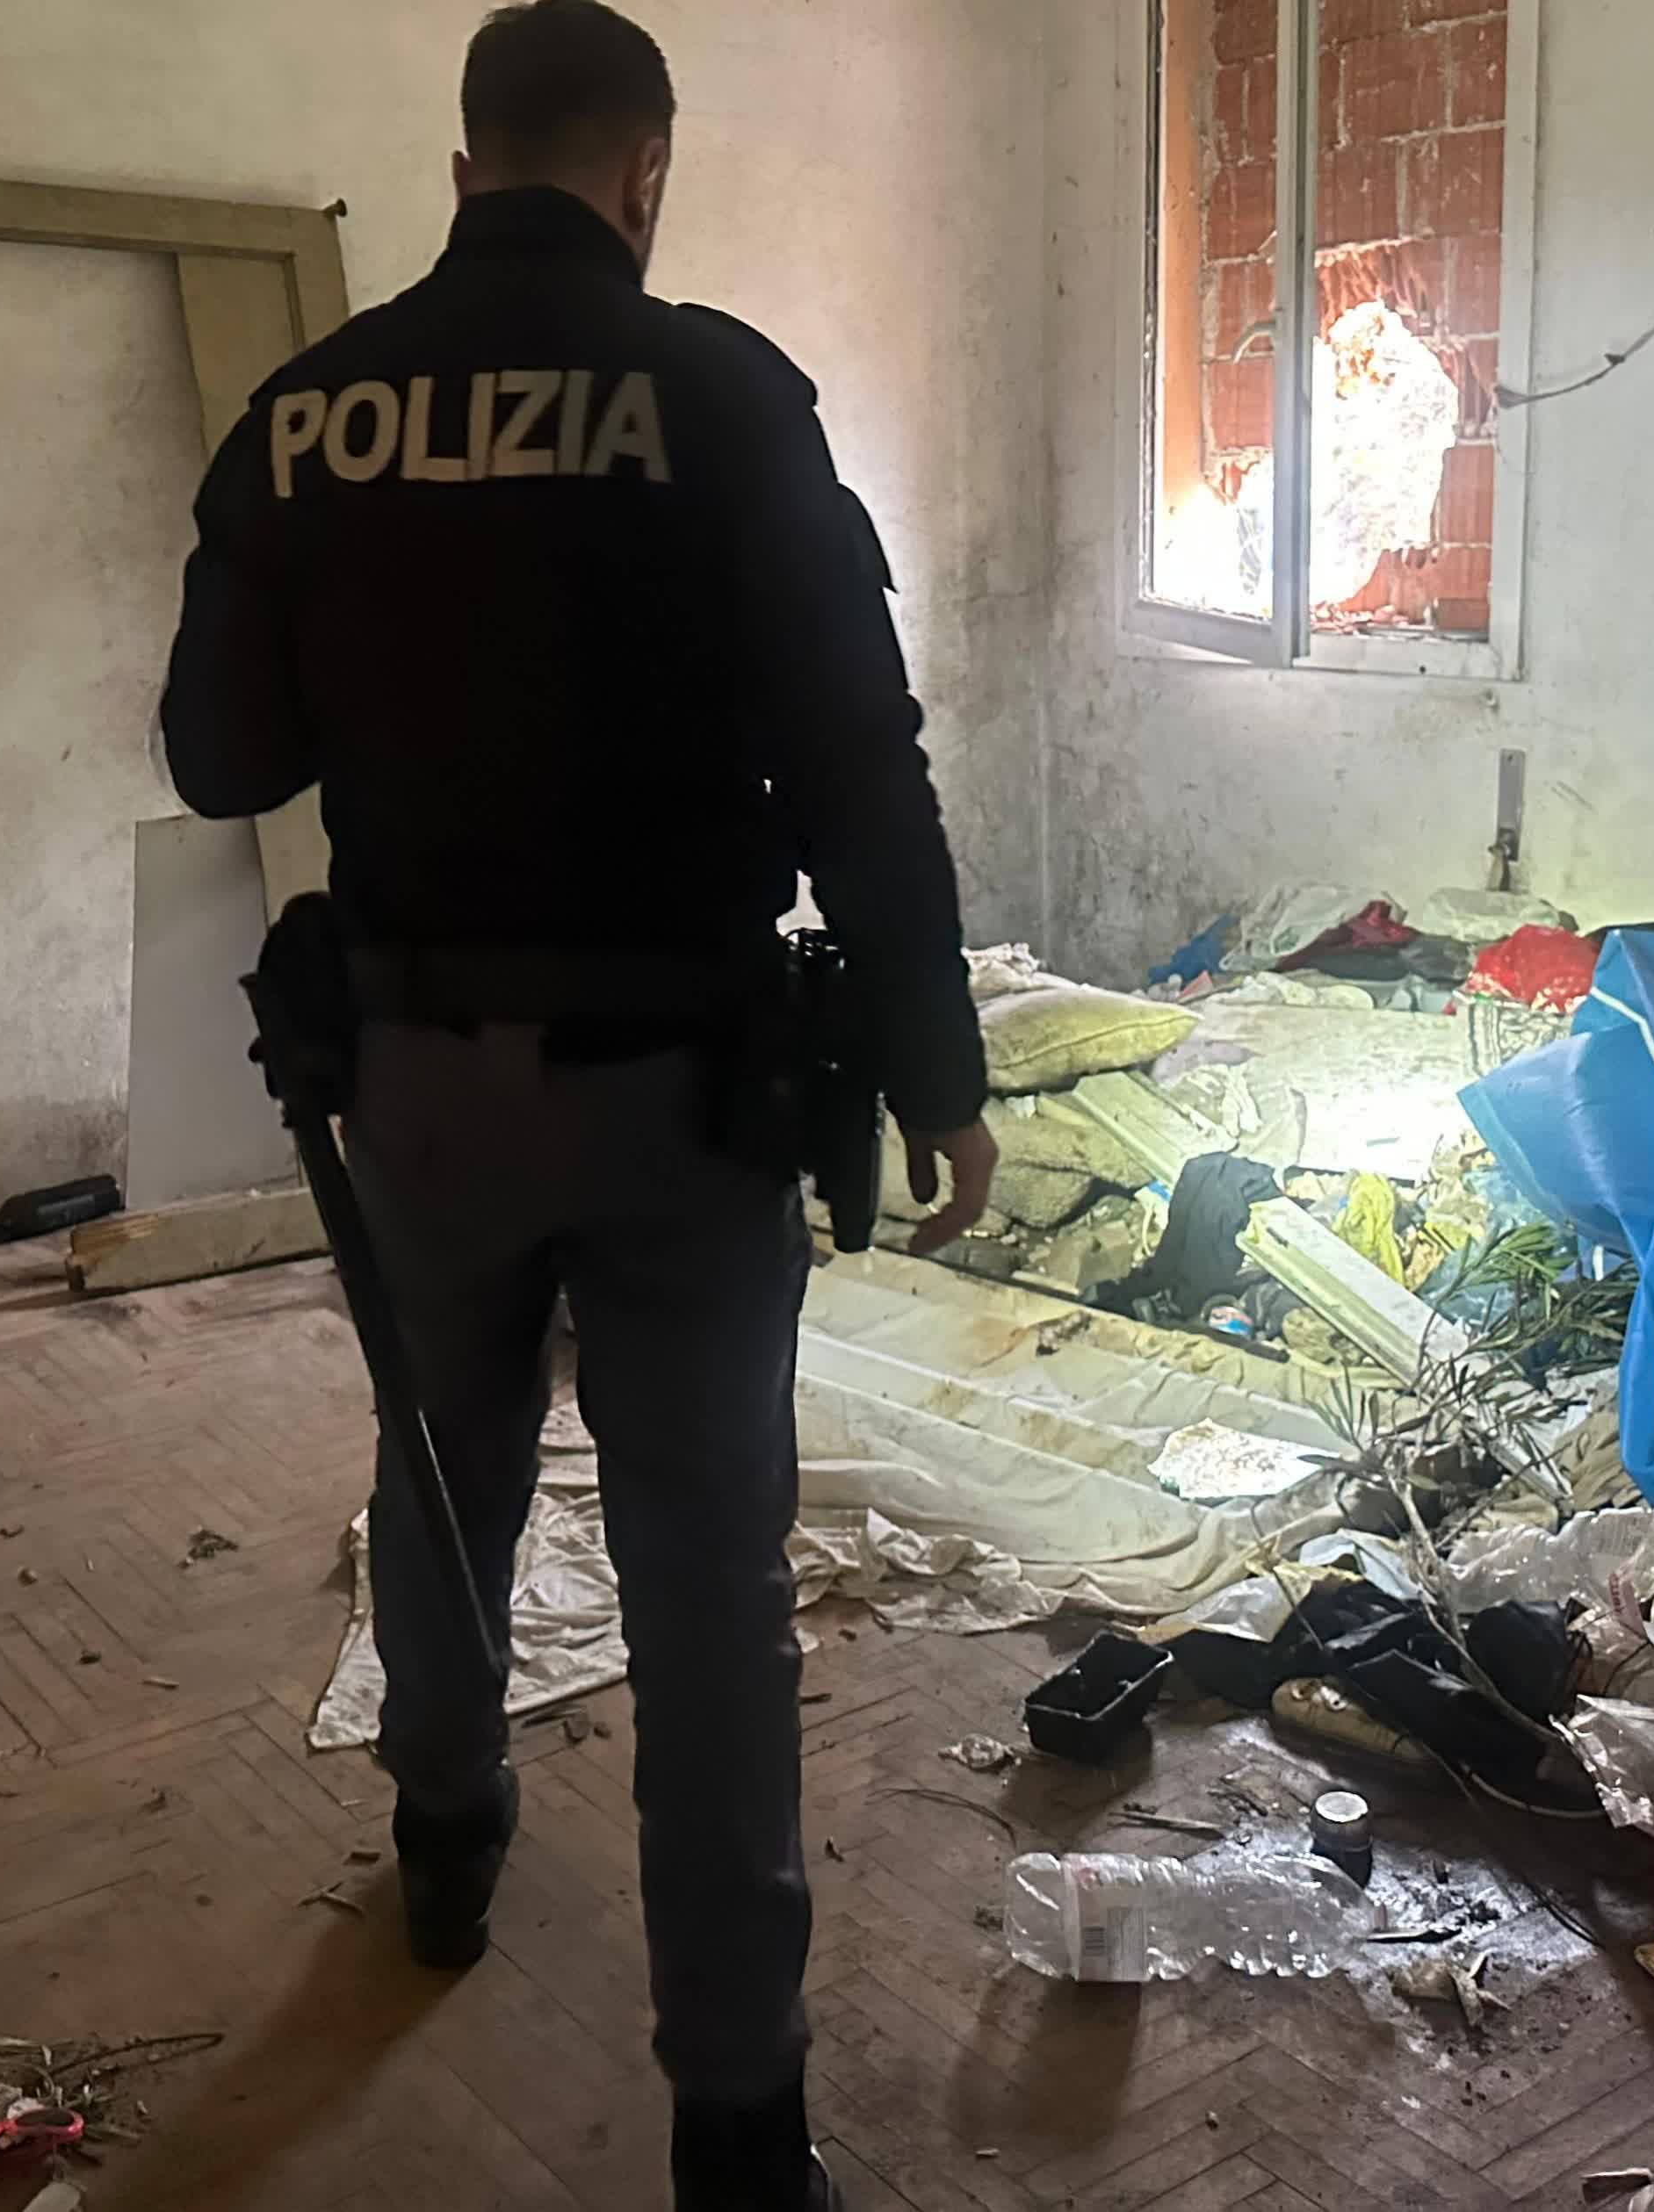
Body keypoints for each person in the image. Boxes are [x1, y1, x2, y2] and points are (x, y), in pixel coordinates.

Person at [159, 4, 995, 2203]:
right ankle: (739, 2117)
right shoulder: (726, 400)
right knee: (707, 1587)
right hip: (685, 1101)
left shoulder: (309, 414)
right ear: (647, 177)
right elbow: (860, 763)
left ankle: (446, 1841)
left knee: (442, 1475)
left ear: (462, 173)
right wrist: (938, 1063)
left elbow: (220, 757)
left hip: (423, 1088)